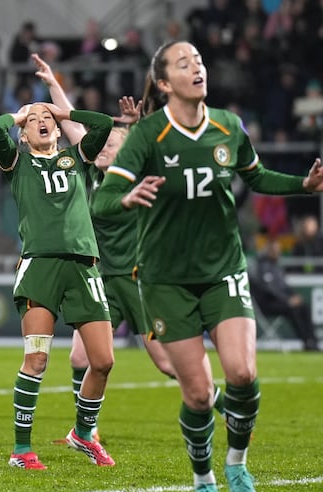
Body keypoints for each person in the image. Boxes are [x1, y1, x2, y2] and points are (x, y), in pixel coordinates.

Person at [91, 41, 323, 492]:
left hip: (224, 269)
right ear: (165, 83)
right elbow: (102, 202)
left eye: (200, 61)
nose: (197, 68)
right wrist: (126, 199)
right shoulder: (149, 135)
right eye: (184, 64)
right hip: (167, 280)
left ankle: (237, 462)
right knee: (196, 393)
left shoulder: (228, 126)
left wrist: (305, 186)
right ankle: (203, 478)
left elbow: (258, 175)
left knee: (244, 374)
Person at [30, 52, 225, 437]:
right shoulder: (90, 169)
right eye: (102, 145)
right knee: (78, 357)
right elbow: (71, 122)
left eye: (112, 145)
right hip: (102, 279)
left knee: (168, 365)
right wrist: (53, 82)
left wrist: (138, 128)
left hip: (138, 281)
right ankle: (86, 430)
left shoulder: (136, 179)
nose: (102, 148)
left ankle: (225, 405)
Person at [0, 100, 116, 470]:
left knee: (104, 361)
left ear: (57, 130)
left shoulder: (76, 158)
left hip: (83, 268)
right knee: (37, 359)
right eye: (33, 121)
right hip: (41, 268)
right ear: (24, 136)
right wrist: (19, 113)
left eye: (47, 120)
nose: (41, 122)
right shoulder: (17, 163)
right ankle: (21, 449)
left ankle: (83, 433)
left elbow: (104, 123)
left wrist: (63, 113)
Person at [250, 237, 320, 351]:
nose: (278, 252)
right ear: (269, 250)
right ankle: (306, 341)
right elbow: (270, 289)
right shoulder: (263, 266)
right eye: (276, 250)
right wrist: (287, 300)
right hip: (268, 304)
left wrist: (293, 296)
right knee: (292, 309)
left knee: (304, 307)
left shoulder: (275, 266)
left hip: (280, 301)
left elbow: (284, 287)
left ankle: (313, 340)